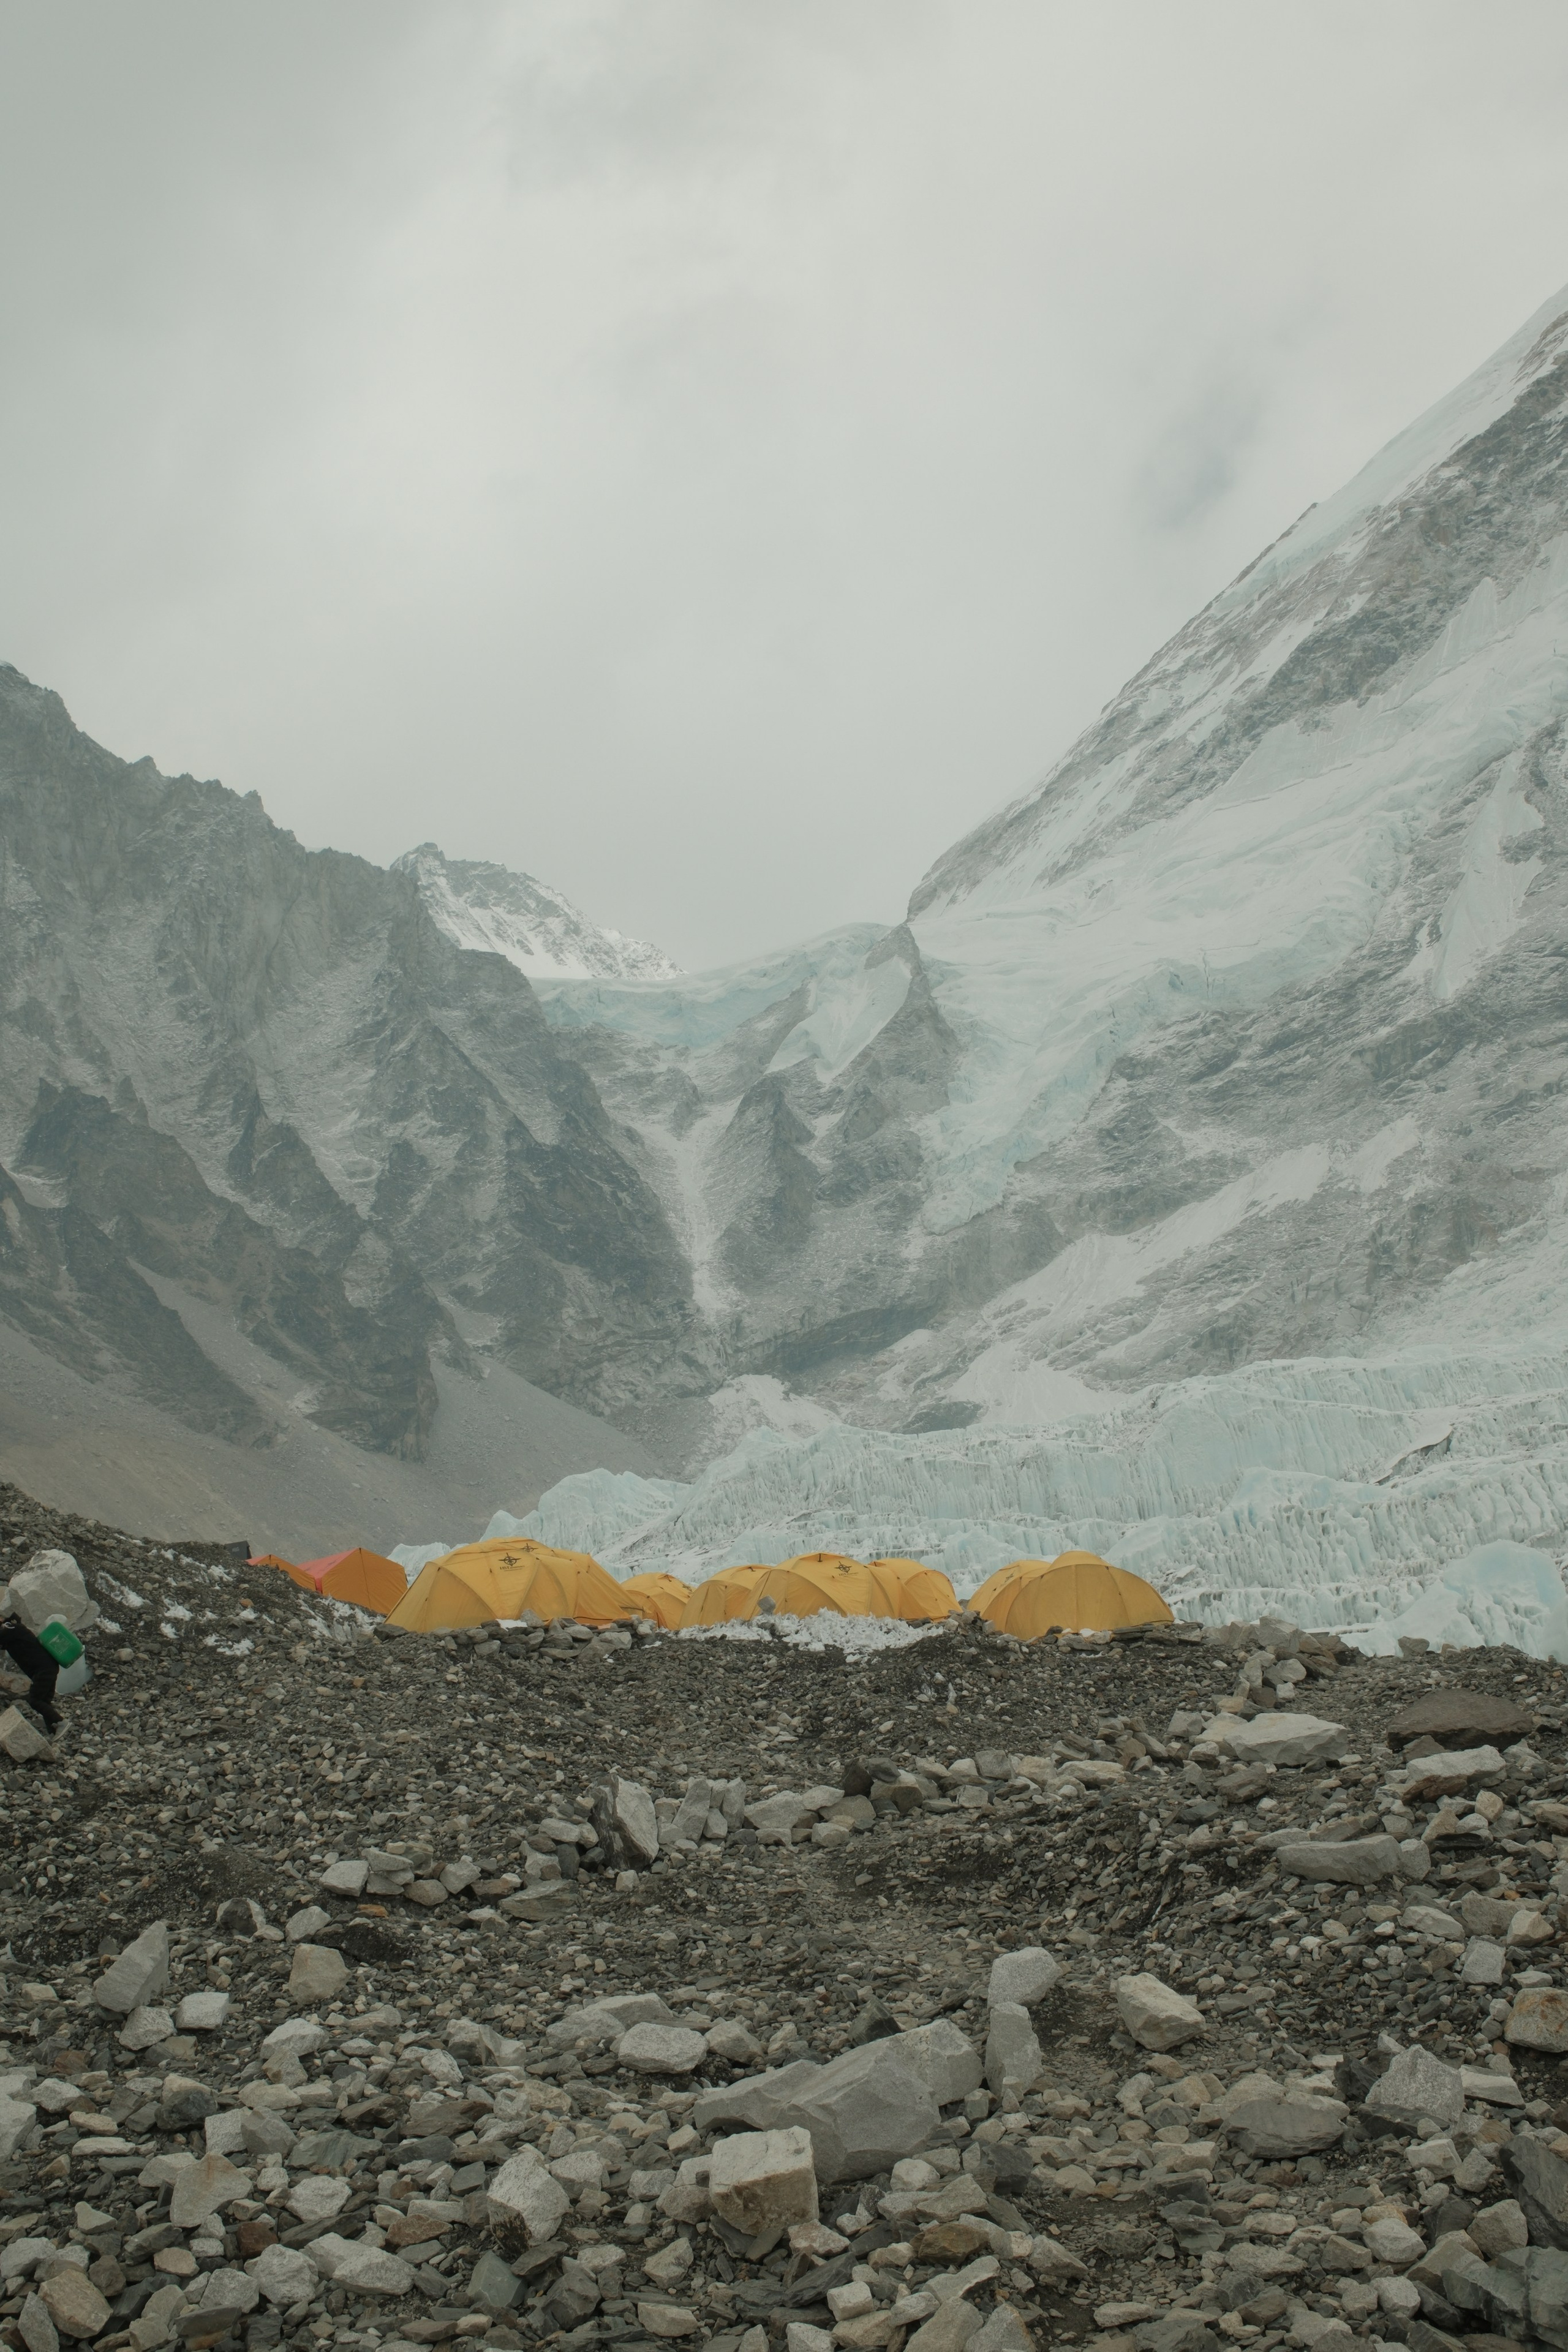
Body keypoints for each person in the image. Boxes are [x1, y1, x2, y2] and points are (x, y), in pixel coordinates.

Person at [0, 1614, 62, 1730]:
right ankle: (54, 1731)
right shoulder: (11, 1635)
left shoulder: (10, 1629)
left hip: (43, 1670)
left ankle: (61, 1722)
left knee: (34, 1700)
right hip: (48, 1667)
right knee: (44, 1701)